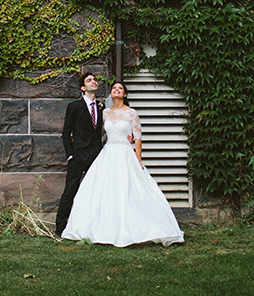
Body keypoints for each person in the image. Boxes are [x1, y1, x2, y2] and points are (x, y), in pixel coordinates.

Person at [61, 81, 185, 247]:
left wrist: (138, 159)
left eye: (120, 88)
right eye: (114, 88)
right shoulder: (104, 112)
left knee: (129, 189)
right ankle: (102, 227)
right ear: (111, 94)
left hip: (126, 154)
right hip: (108, 153)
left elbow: (138, 136)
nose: (116, 90)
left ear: (125, 94)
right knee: (102, 190)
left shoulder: (131, 113)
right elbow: (97, 132)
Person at [54, 72, 105, 237]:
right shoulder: (74, 106)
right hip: (77, 157)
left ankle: (92, 228)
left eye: (95, 79)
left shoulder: (101, 107)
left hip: (95, 157)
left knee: (95, 193)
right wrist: (70, 154)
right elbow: (66, 132)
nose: (93, 82)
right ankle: (60, 228)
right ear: (83, 88)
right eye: (89, 80)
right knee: (70, 192)